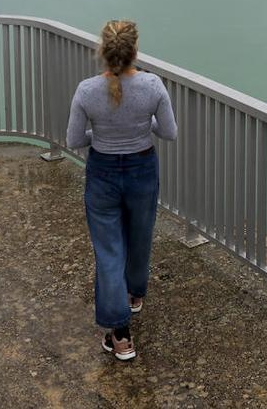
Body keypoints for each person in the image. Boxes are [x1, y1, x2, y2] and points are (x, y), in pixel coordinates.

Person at [66, 19, 177, 361]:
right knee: (141, 235)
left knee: (109, 250)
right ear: (135, 51)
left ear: (102, 51)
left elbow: (73, 140)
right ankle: (134, 296)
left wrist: (100, 136)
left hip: (103, 174)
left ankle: (120, 334)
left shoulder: (86, 91)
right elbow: (168, 132)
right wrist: (143, 124)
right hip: (142, 170)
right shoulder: (153, 85)